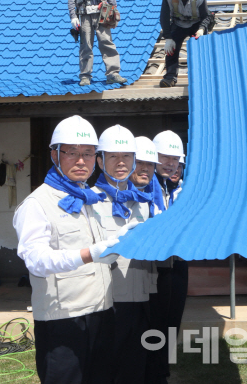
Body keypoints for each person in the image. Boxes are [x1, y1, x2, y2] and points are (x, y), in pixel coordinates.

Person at [14, 115, 120, 384]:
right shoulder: (37, 204)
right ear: (55, 155)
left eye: (88, 153)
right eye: (72, 153)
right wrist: (89, 254)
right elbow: (36, 261)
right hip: (62, 320)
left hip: (101, 311)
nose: (81, 161)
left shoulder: (91, 199)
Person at [91, 125, 151, 384]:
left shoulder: (142, 202)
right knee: (105, 364)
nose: (121, 162)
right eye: (113, 156)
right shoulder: (89, 200)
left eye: (126, 156)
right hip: (104, 299)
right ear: (100, 160)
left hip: (139, 296)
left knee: (135, 361)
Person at [146, 130, 186, 384]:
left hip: (178, 265)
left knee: (171, 322)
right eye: (165, 157)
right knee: (151, 322)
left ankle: (161, 372)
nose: (170, 163)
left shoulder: (183, 189)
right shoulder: (143, 185)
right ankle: (149, 372)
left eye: (175, 159)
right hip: (150, 267)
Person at [159, 0, 215, 88]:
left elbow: (206, 16)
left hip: (197, 23)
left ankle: (203, 77)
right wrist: (168, 37)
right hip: (178, 23)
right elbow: (164, 17)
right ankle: (170, 77)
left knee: (202, 48)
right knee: (171, 49)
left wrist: (201, 30)